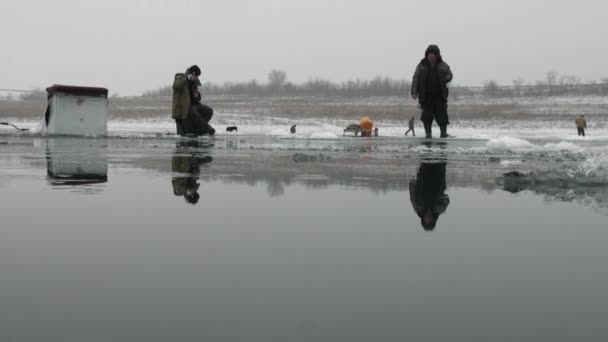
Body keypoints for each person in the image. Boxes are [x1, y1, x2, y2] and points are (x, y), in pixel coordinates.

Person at [411, 45, 453, 139]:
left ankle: (443, 133)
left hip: (439, 96)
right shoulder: (421, 65)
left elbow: (449, 75)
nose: (431, 56)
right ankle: (428, 134)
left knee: (442, 116)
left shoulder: (442, 65)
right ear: (427, 55)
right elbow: (416, 78)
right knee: (426, 117)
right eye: (430, 54)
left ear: (437, 55)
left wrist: (445, 78)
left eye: (433, 54)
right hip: (426, 96)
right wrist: (414, 92)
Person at [172, 65, 216, 136]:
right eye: (196, 76)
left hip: (193, 104)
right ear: (192, 74)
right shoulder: (180, 78)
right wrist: (186, 79)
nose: (197, 78)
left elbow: (196, 98)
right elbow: (176, 86)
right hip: (184, 106)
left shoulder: (194, 82)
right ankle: (208, 129)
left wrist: (197, 95)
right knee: (194, 112)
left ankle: (199, 129)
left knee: (209, 111)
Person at [409, 160, 450, 231]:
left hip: (423, 180)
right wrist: (443, 197)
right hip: (438, 180)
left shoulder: (418, 209)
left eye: (426, 221)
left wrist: (412, 186)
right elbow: (447, 200)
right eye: (429, 221)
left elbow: (413, 198)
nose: (428, 219)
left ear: (423, 220)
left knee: (425, 160)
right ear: (433, 221)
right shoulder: (439, 210)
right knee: (440, 160)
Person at [171, 140, 214, 205]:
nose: (194, 192)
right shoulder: (183, 189)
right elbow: (193, 178)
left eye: (194, 193)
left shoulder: (180, 188)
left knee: (207, 158)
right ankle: (199, 146)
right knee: (208, 158)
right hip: (188, 163)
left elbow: (180, 167)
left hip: (186, 161)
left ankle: (195, 145)